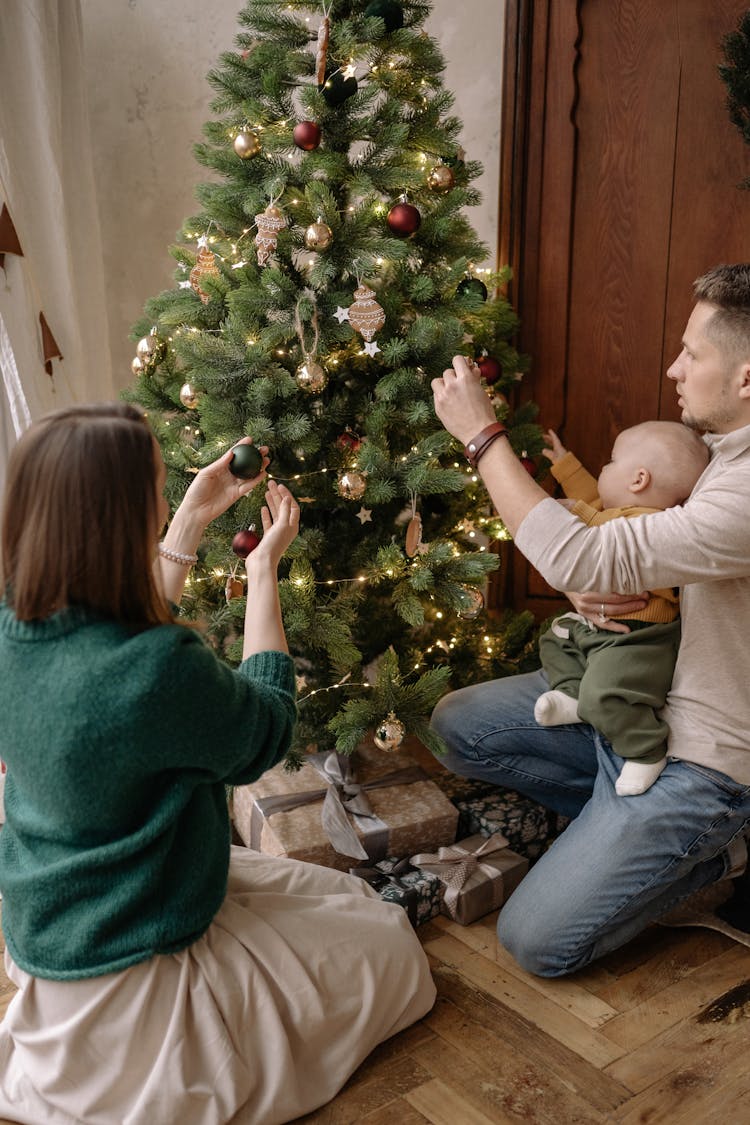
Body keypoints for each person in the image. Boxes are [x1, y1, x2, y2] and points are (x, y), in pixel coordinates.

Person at [0, 402, 435, 1125]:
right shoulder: (155, 667)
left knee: (346, 901)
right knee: (392, 950)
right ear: (120, 516)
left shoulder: (18, 625)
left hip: (55, 919)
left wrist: (192, 522)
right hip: (139, 938)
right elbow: (263, 730)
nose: (169, 496)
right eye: (158, 488)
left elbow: (113, 660)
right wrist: (264, 571)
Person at [429, 263, 750, 977]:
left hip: (705, 760)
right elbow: (630, 542)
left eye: (692, 353)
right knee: (457, 723)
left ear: (747, 379)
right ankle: (620, 826)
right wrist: (593, 587)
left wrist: (483, 435)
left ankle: (724, 847)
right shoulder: (724, 453)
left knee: (536, 942)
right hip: (639, 694)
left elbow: (585, 552)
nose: (673, 368)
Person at [534, 421, 708, 796]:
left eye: (611, 462)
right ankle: (571, 694)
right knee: (554, 640)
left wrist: (573, 512)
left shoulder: (656, 525)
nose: (603, 469)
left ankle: (646, 751)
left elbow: (599, 528)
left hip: (640, 641)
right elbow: (593, 501)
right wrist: (565, 465)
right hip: (598, 627)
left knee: (607, 695)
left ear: (639, 479)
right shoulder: (615, 511)